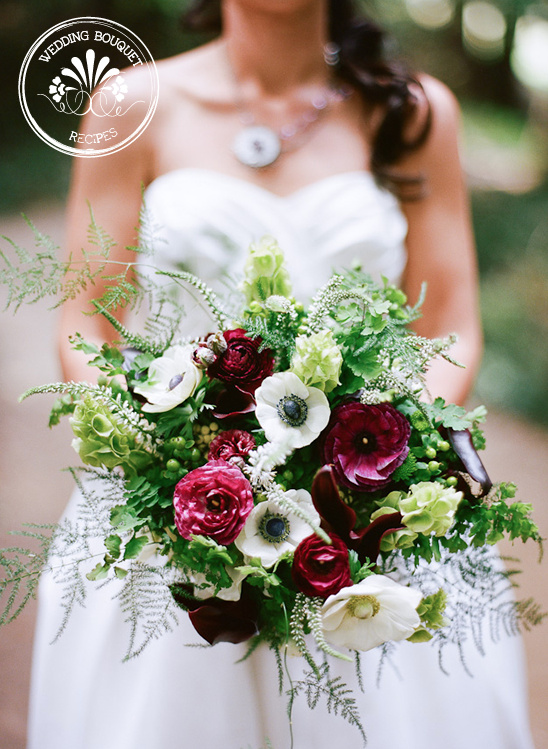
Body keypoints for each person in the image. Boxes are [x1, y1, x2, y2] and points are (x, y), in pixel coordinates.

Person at [27, 1, 534, 747]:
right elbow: (85, 320)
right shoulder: (129, 104)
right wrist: (155, 460)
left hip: (368, 513)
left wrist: (386, 463)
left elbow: (450, 322)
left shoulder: (415, 112)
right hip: (176, 510)